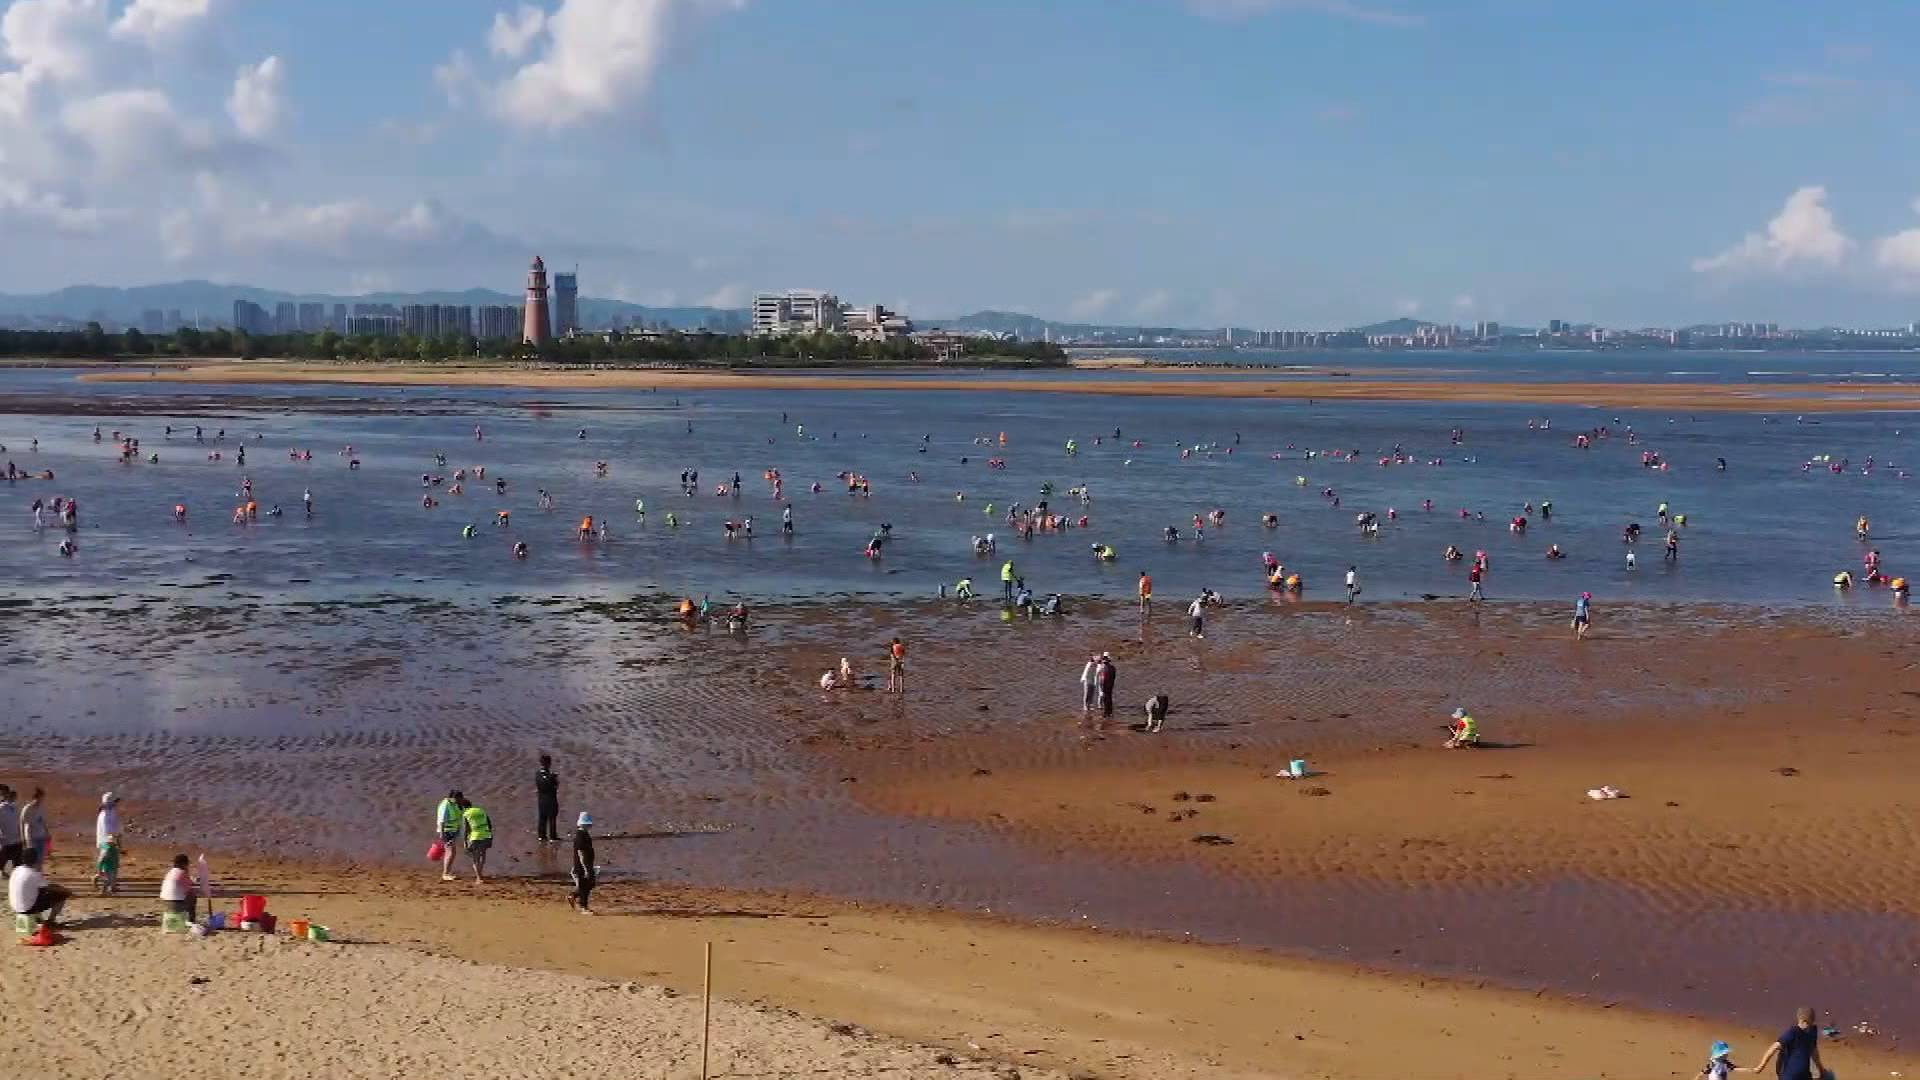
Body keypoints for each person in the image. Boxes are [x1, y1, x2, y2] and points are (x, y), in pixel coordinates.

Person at [1749, 1008, 1826, 1080]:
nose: (1809, 1026)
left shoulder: (1812, 1031)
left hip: (1804, 1075)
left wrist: (1820, 1069)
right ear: (1802, 1021)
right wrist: (1760, 1066)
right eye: (1808, 1023)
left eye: (1811, 1023)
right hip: (1790, 1075)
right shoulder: (1793, 1032)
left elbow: (1814, 1051)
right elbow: (1774, 1047)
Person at [8, 849, 68, 929]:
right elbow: (49, 888)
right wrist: (67, 891)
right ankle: (50, 921)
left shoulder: (16, 869)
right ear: (36, 860)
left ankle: (37, 918)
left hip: (15, 907)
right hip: (27, 908)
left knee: (39, 891)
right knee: (61, 896)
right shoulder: (33, 873)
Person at [459, 795, 493, 884]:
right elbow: (489, 824)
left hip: (476, 837)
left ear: (463, 808)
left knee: (475, 858)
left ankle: (479, 878)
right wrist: (490, 835)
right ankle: (480, 874)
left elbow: (466, 830)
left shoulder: (466, 814)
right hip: (486, 835)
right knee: (482, 856)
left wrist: (465, 842)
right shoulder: (481, 810)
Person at [569, 812, 597, 915]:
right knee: (584, 887)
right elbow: (581, 854)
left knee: (589, 884)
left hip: (585, 865)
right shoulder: (581, 836)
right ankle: (583, 907)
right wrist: (586, 869)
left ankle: (573, 895)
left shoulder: (583, 835)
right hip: (582, 867)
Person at [435, 789, 463, 882]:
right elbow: (441, 820)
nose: (459, 801)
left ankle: (447, 872)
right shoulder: (445, 805)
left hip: (453, 831)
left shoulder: (454, 804)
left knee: (451, 852)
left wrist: (458, 831)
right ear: (453, 797)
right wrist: (442, 834)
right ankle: (445, 873)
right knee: (451, 852)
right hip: (447, 831)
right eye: (458, 799)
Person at [535, 755, 561, 844]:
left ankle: (541, 836)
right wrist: (554, 778)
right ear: (549, 763)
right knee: (552, 818)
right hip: (550, 799)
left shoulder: (537, 774)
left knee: (542, 818)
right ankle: (552, 837)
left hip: (541, 800)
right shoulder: (551, 776)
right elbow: (555, 786)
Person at [160, 852, 194, 921]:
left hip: (165, 902)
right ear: (184, 864)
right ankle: (191, 920)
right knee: (192, 896)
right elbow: (188, 889)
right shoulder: (183, 873)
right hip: (176, 904)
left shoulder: (170, 872)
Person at [19, 787, 47, 864]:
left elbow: (43, 822)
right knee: (33, 861)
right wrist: (24, 839)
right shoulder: (27, 809)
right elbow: (23, 824)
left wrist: (47, 833)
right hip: (32, 838)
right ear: (36, 797)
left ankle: (39, 874)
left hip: (41, 837)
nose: (42, 800)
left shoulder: (41, 808)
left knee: (40, 860)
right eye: (41, 798)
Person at [0, 786, 21, 874]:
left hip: (16, 840)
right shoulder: (1, 808)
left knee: (17, 863)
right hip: (5, 840)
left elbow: (18, 822)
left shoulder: (15, 808)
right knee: (2, 861)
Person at [1097, 653, 1117, 721]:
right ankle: (1110, 712)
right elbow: (1114, 677)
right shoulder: (1113, 668)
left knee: (1105, 700)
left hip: (1105, 685)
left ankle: (1106, 714)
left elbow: (1103, 679)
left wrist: (1101, 689)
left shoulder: (1104, 669)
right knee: (1110, 698)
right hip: (1111, 685)